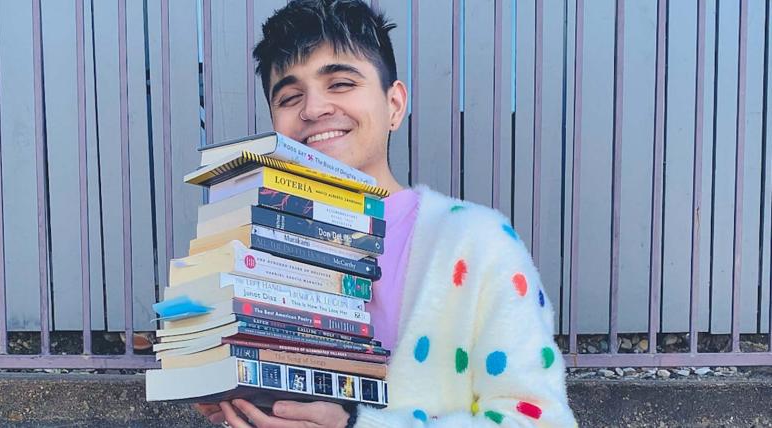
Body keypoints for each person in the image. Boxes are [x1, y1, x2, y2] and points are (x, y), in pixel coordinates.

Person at [196, 1, 577, 426]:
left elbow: (540, 419)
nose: (314, 108)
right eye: (289, 96)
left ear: (394, 104)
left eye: (340, 83)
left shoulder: (476, 241)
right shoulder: (261, 247)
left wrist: (356, 425)